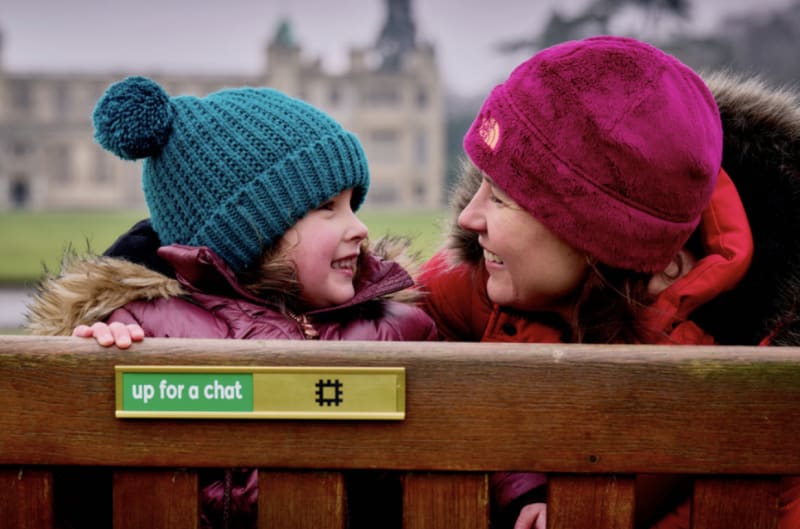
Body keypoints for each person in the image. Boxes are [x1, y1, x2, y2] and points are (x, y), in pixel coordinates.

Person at [417, 36, 800, 529]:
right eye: (484, 185)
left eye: (503, 198)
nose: (469, 217)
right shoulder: (474, 279)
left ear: (606, 240)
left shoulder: (774, 387)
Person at [26, 75, 437, 529]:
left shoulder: (398, 325)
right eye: (327, 207)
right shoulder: (149, 331)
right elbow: (74, 487)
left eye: (352, 205)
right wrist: (94, 365)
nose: (359, 227)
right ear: (249, 232)